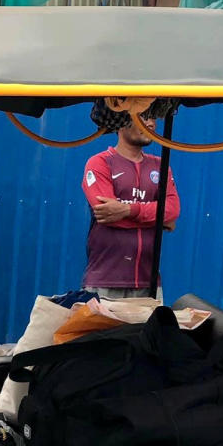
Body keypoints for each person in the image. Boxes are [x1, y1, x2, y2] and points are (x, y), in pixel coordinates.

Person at [81, 100, 180, 299]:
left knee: (149, 332)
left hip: (150, 284)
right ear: (121, 121)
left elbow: (172, 210)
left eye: (153, 117)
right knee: (101, 332)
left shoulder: (162, 166)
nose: (151, 123)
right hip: (105, 282)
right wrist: (156, 219)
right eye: (143, 116)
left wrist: (127, 210)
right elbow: (107, 214)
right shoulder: (100, 162)